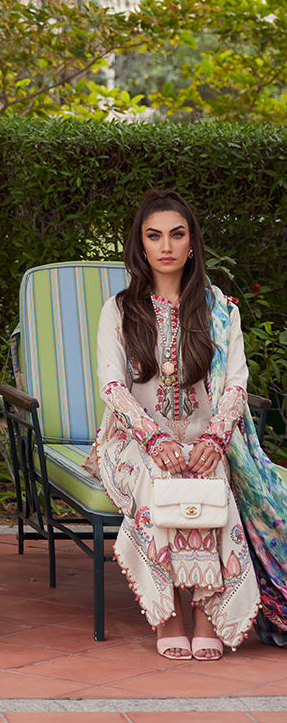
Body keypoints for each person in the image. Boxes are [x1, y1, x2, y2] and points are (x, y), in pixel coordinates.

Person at [88, 188, 287, 660]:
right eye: (154, 236)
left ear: (192, 243)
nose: (166, 246)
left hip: (205, 440)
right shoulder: (119, 309)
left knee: (211, 478)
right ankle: (168, 616)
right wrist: (154, 439)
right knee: (159, 477)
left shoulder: (220, 310)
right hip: (132, 441)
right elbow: (112, 387)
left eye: (177, 235)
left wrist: (216, 438)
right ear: (140, 244)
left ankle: (207, 615)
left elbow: (236, 383)